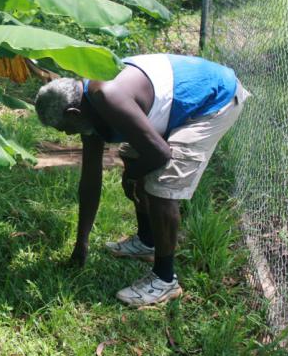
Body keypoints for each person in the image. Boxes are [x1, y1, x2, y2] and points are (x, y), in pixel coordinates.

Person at [34, 53, 250, 307]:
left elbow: (160, 153)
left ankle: (165, 280)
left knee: (161, 186)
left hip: (213, 99)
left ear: (72, 112)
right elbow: (90, 182)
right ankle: (147, 242)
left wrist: (135, 176)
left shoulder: (107, 96)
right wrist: (81, 243)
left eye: (64, 129)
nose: (68, 134)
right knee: (133, 161)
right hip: (182, 101)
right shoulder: (85, 109)